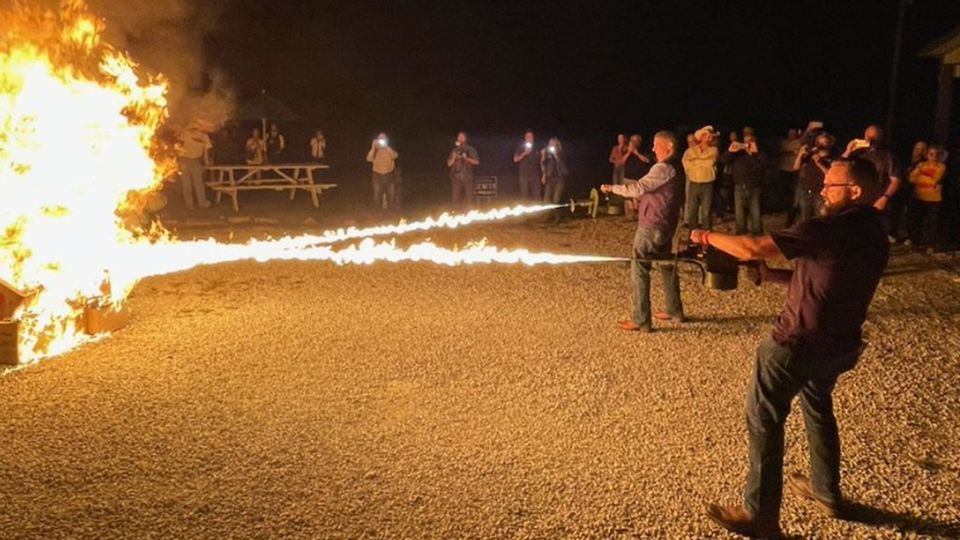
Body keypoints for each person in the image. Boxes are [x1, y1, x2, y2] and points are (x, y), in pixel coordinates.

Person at [701, 157, 889, 539]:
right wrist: (773, 276)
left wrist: (703, 237)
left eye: (830, 185)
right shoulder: (873, 231)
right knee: (818, 410)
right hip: (838, 346)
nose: (822, 190)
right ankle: (827, 493)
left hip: (796, 343)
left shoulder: (829, 227)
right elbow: (824, 279)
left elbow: (752, 246)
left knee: (764, 420)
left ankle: (759, 516)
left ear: (853, 191)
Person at [599, 131, 685, 332]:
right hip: (665, 224)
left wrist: (612, 188)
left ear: (669, 146)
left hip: (652, 226)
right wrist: (644, 201)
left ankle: (641, 320)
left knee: (639, 268)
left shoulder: (663, 167)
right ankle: (675, 311)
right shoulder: (675, 167)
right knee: (666, 266)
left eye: (657, 144)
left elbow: (639, 188)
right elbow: (657, 193)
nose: (653, 148)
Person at [842, 125, 900, 235]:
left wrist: (885, 197)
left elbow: (895, 181)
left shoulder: (888, 157)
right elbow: (839, 167)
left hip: (877, 199)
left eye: (873, 137)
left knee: (874, 231)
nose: (869, 139)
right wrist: (848, 151)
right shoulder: (857, 154)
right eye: (867, 136)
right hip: (857, 199)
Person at [722, 133, 766, 235]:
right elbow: (723, 160)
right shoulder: (738, 154)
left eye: (749, 141)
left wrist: (756, 153)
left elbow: (764, 165)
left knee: (756, 217)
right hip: (739, 188)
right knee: (740, 218)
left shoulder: (759, 154)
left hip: (754, 189)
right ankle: (741, 240)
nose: (747, 144)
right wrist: (730, 151)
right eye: (745, 142)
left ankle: (758, 239)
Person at [906, 145, 947, 250]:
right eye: (931, 154)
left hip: (933, 198)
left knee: (930, 223)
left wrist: (922, 176)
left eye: (936, 155)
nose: (933, 157)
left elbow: (935, 179)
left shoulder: (941, 166)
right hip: (918, 196)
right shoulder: (921, 164)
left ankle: (929, 244)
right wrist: (927, 177)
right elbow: (911, 178)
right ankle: (915, 240)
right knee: (916, 220)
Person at [792, 131, 835, 224]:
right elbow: (796, 167)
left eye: (825, 140)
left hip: (821, 192)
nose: (823, 141)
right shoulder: (810, 155)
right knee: (804, 219)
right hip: (806, 190)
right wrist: (800, 154)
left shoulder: (833, 157)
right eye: (820, 139)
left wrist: (820, 163)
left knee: (821, 220)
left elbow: (831, 174)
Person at [682, 125, 719, 230]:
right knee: (692, 212)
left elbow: (711, 162)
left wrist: (696, 161)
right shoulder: (690, 151)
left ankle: (707, 239)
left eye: (711, 136)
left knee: (706, 213)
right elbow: (686, 164)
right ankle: (693, 237)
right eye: (708, 135)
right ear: (702, 137)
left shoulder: (714, 150)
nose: (711, 138)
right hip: (694, 183)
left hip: (708, 184)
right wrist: (703, 161)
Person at [176, 120, 212, 210]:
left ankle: (202, 203)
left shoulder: (205, 137)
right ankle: (189, 204)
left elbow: (206, 150)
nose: (200, 127)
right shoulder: (186, 133)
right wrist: (188, 127)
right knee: (186, 183)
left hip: (196, 161)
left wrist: (206, 161)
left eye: (201, 126)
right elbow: (178, 138)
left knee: (199, 183)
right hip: (184, 160)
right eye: (198, 125)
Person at [366, 132, 399, 212]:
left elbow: (395, 156)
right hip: (377, 176)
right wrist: (373, 147)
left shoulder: (389, 149)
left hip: (389, 175)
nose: (382, 140)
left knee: (391, 195)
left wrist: (387, 147)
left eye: (384, 138)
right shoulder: (375, 150)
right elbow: (368, 159)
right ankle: (378, 213)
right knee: (377, 196)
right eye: (380, 138)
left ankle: (391, 212)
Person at [447, 131, 480, 208]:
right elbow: (449, 164)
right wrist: (454, 158)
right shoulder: (454, 150)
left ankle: (471, 214)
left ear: (466, 138)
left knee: (470, 198)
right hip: (456, 177)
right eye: (459, 137)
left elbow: (477, 162)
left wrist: (466, 158)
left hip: (468, 176)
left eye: (462, 137)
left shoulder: (470, 149)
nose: (460, 138)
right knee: (455, 198)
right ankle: (455, 214)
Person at [540, 137, 569, 221]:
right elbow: (543, 165)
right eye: (550, 144)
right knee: (546, 199)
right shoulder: (548, 155)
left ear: (557, 145)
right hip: (550, 179)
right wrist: (543, 156)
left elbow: (564, 169)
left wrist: (557, 158)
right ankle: (547, 216)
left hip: (559, 179)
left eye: (553, 144)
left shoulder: (562, 154)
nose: (551, 145)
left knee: (556, 199)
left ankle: (557, 217)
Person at [776, 129, 801, 213]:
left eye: (793, 133)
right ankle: (785, 207)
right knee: (784, 190)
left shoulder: (799, 142)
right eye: (790, 133)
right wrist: (791, 152)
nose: (791, 135)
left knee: (793, 190)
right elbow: (780, 153)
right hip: (784, 169)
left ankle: (793, 208)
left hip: (794, 170)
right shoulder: (784, 142)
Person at [514, 129, 541, 201]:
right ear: (525, 138)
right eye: (528, 137)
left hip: (535, 176)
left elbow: (541, 161)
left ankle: (538, 211)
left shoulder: (537, 147)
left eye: (531, 137)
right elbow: (515, 159)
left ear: (533, 138)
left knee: (537, 196)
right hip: (524, 176)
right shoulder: (521, 147)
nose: (529, 138)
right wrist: (524, 153)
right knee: (524, 197)